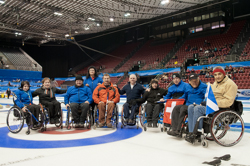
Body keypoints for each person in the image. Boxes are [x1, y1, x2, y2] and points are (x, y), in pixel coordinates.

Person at [186, 67, 237, 143]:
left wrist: (212, 103)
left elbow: (228, 101)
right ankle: (191, 132)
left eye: (219, 74)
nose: (217, 76)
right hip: (212, 106)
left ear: (224, 74)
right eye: (215, 75)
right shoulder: (216, 83)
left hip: (221, 108)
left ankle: (197, 132)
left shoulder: (231, 84)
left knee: (197, 108)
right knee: (190, 107)